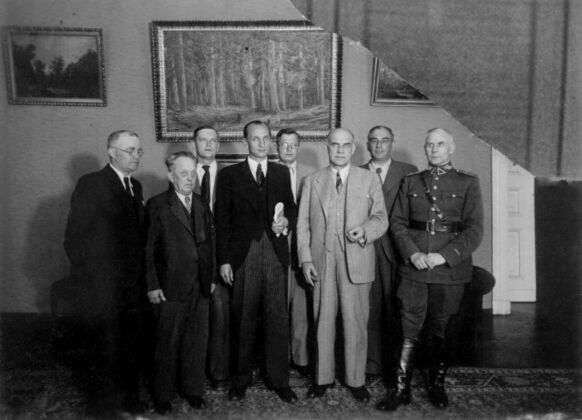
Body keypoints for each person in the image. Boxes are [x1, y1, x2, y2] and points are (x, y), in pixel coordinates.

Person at [377, 128, 483, 411]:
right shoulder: (411, 181)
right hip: (415, 268)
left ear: (451, 148)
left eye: (440, 144)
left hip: (448, 270)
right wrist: (412, 253)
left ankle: (437, 386)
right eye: (429, 145)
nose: (434, 149)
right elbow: (397, 223)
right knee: (407, 327)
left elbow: (474, 230)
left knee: (441, 328)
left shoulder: (468, 182)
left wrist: (443, 256)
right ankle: (401, 390)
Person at [297, 128, 388, 402]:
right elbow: (302, 224)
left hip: (357, 261)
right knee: (322, 322)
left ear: (353, 149)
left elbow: (381, 219)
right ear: (327, 147)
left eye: (345, 145)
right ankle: (322, 379)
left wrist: (365, 231)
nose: (339, 150)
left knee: (355, 323)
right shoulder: (311, 181)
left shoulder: (369, 179)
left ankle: (356, 380)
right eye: (334, 145)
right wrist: (305, 259)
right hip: (321, 261)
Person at [64, 130, 150, 416]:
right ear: (111, 152)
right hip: (104, 288)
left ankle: (130, 401)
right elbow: (74, 239)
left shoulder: (135, 186)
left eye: (138, 151)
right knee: (106, 350)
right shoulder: (91, 184)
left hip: (133, 288)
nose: (136, 156)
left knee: (132, 347)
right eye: (129, 150)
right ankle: (105, 409)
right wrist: (95, 280)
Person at [214, 120, 298, 403]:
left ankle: (279, 380)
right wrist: (224, 260)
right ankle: (240, 380)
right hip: (244, 255)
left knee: (277, 319)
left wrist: (286, 223)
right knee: (244, 318)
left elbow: (292, 209)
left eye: (265, 139)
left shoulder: (281, 172)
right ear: (245, 141)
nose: (261, 144)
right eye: (255, 139)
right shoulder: (229, 175)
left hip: (274, 253)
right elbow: (221, 220)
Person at [145, 152, 215, 414]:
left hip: (200, 285)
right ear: (171, 176)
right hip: (170, 286)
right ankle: (163, 396)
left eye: (192, 173)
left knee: (196, 343)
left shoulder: (201, 202)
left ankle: (193, 391)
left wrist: (210, 278)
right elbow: (148, 249)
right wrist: (152, 285)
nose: (189, 178)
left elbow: (209, 243)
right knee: (167, 344)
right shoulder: (157, 205)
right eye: (183, 173)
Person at [361, 126, 417, 380]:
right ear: (368, 144)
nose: (379, 145)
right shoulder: (357, 172)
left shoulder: (408, 171)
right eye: (374, 140)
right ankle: (371, 363)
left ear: (392, 143)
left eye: (384, 140)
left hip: (398, 249)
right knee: (370, 308)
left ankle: (397, 367)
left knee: (399, 308)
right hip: (367, 249)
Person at [188, 125, 230, 389]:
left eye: (213, 140)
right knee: (194, 313)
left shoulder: (230, 175)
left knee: (220, 312)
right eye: (202, 140)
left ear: (218, 145)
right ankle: (192, 372)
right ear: (194, 144)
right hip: (191, 254)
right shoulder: (184, 172)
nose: (208, 144)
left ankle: (218, 373)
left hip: (220, 252)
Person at [276, 128, 311, 378]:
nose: (288, 148)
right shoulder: (266, 173)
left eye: (293, 144)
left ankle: (301, 358)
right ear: (276, 147)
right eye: (283, 144)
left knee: (301, 306)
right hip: (276, 245)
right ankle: (278, 358)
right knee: (276, 305)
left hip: (302, 246)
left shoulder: (311, 175)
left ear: (299, 146)